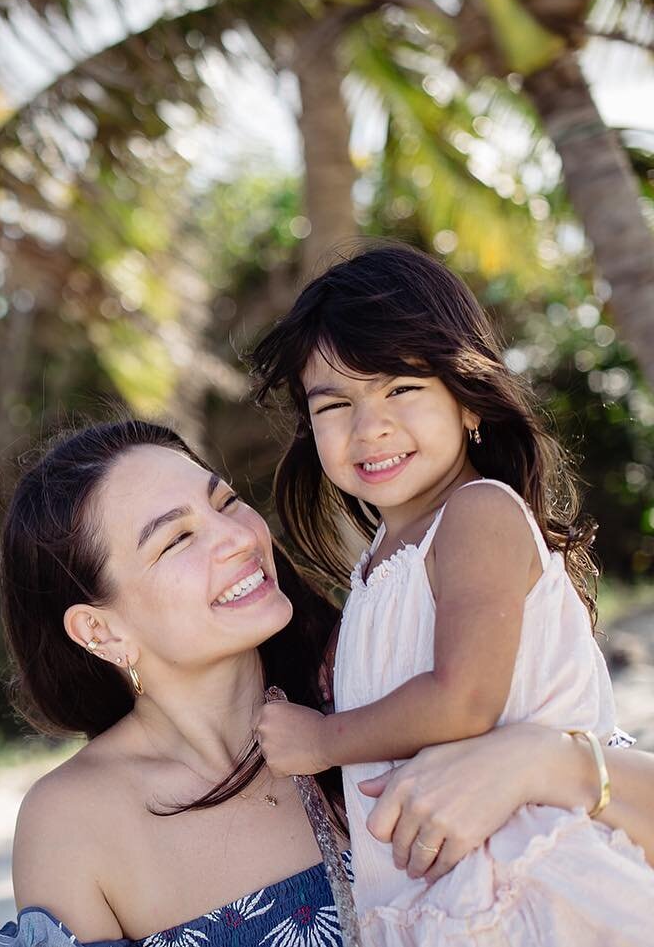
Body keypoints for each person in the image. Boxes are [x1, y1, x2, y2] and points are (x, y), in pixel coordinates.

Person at [0, 419, 654, 947]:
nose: (238, 537)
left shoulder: (379, 695)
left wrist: (544, 761)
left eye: (227, 501)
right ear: (101, 633)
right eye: (176, 539)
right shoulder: (75, 822)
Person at [248, 244, 654, 944]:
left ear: (468, 400)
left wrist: (322, 739)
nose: (367, 425)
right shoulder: (378, 564)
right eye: (334, 403)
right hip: (445, 907)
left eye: (400, 389)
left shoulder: (477, 515)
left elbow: (464, 700)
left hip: (530, 889)